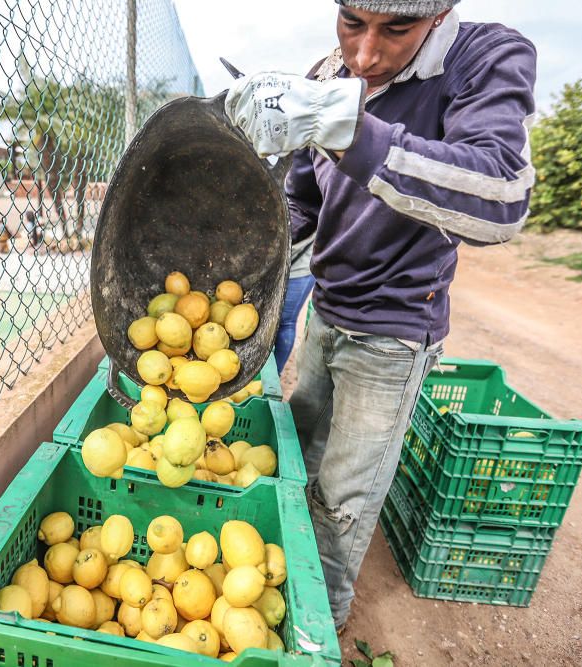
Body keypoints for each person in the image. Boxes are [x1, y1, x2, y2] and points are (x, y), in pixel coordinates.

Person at [225, 0, 536, 629]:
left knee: (345, 496)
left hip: (394, 331)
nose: (365, 55)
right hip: (328, 309)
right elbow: (301, 199)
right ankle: (284, 588)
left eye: (395, 29)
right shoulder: (327, 75)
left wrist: (351, 130)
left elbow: (502, 200)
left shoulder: (484, 59)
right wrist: (243, 268)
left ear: (440, 15)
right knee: (301, 460)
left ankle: (322, 625)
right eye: (351, 23)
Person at [275, 233, 316, 373]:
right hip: (273, 261)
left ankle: (275, 372)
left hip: (299, 267)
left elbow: (301, 222)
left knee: (285, 322)